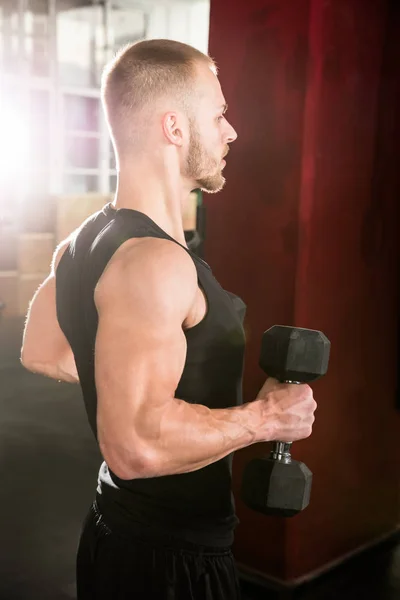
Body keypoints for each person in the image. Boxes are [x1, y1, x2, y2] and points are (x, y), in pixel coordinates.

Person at [21, 39, 317, 600]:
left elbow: (45, 350)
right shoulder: (156, 263)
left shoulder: (82, 243)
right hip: (168, 564)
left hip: (116, 534)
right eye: (219, 114)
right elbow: (134, 448)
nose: (230, 132)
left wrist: (128, 385)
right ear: (175, 128)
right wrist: (264, 419)